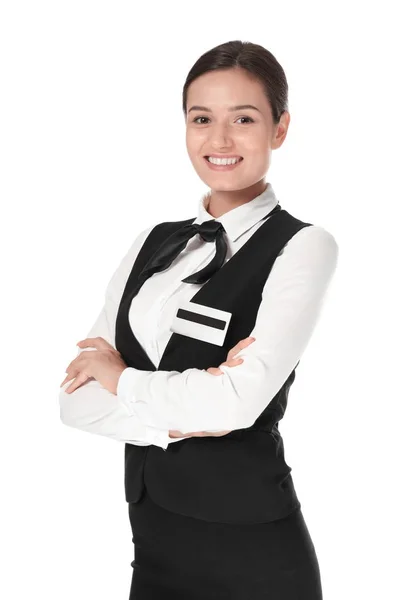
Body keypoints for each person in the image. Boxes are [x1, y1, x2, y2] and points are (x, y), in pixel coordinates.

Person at [59, 39, 338, 600]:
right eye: (201, 118)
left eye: (244, 118)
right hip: (154, 552)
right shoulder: (152, 243)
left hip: (256, 556)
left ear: (280, 128)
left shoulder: (303, 246)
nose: (219, 140)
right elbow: (74, 402)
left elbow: (238, 401)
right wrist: (191, 411)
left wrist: (121, 379)